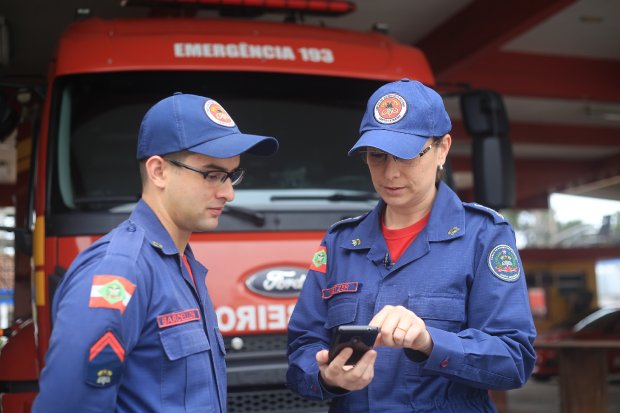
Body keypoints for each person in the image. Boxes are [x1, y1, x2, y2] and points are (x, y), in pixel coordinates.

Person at [286, 79, 536, 412]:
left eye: (406, 157)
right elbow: (302, 349)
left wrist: (431, 342)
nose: (390, 174)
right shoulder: (340, 244)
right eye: (377, 157)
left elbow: (515, 360)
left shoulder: (483, 237)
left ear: (442, 149)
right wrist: (328, 377)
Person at [33, 93, 278, 412]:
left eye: (232, 175)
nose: (229, 193)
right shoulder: (119, 272)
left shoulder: (180, 265)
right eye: (212, 175)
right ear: (158, 171)